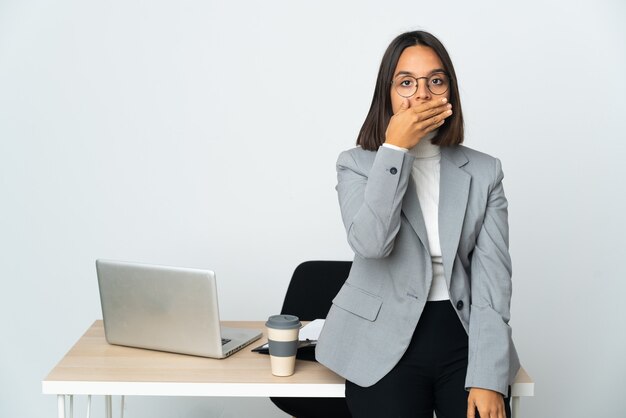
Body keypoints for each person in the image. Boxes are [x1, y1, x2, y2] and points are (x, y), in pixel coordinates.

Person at [315, 30, 520, 418]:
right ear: (387, 94)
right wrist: (395, 150)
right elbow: (372, 243)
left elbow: (494, 280)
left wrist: (488, 376)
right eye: (406, 82)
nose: (422, 94)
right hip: (379, 339)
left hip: (462, 333)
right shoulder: (356, 164)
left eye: (435, 81)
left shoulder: (484, 170)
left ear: (450, 93)